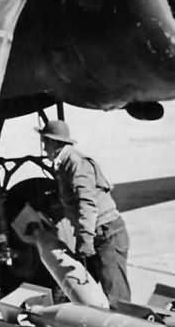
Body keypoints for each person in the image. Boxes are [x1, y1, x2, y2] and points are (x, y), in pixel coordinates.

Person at [38, 118, 132, 304]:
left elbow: (87, 203)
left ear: (53, 142)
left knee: (115, 294)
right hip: (98, 234)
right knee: (80, 289)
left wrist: (86, 239)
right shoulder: (65, 163)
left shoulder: (76, 163)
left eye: (45, 143)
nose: (44, 149)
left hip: (107, 234)